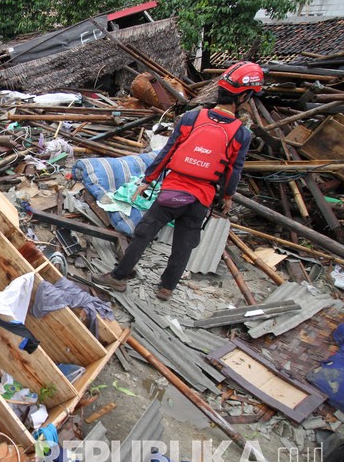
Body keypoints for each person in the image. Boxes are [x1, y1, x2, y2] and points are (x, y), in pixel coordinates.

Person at [95, 61, 264, 301]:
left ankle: (118, 277)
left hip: (173, 191)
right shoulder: (241, 133)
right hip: (201, 198)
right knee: (185, 243)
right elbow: (233, 171)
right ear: (245, 96)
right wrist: (226, 197)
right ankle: (166, 288)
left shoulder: (192, 118)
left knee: (144, 232)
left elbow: (167, 152)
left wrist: (147, 179)